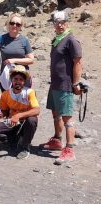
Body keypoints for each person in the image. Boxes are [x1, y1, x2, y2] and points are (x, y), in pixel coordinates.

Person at [42, 11, 82, 165]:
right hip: (55, 84)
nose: (59, 25)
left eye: (62, 22)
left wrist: (75, 83)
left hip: (65, 85)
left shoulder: (71, 40)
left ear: (67, 22)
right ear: (53, 24)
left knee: (67, 117)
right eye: (56, 22)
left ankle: (70, 149)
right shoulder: (57, 39)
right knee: (56, 113)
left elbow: (78, 62)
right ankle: (57, 141)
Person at [0, 65, 40, 159]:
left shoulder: (29, 92)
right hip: (13, 123)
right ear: (12, 80)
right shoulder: (6, 94)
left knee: (32, 120)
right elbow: (4, 111)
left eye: (21, 79)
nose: (18, 82)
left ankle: (25, 147)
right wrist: (1, 114)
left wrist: (19, 115)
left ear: (24, 82)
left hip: (25, 123)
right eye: (16, 79)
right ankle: (13, 140)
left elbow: (37, 110)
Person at [0, 13, 34, 91]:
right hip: (6, 78)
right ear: (8, 24)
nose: (15, 26)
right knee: (7, 101)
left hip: (22, 78)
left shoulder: (24, 40)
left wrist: (14, 60)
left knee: (22, 102)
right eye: (12, 23)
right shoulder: (1, 39)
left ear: (21, 26)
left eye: (18, 24)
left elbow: (31, 60)